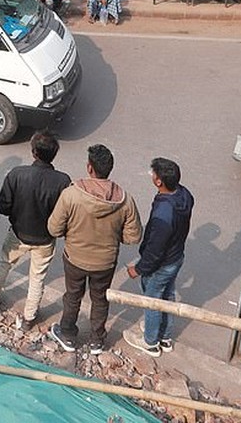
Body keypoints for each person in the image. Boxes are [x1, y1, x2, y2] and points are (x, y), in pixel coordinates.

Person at [47, 144, 142, 355]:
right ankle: (96, 341)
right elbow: (133, 236)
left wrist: (72, 233)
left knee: (73, 296)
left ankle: (68, 335)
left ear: (89, 168)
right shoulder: (125, 200)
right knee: (100, 299)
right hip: (105, 263)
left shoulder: (71, 194)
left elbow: (54, 228)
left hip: (75, 259)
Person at [0, 131, 71, 330]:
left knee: (3, 264)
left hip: (18, 233)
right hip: (45, 239)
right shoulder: (63, 181)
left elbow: (2, 207)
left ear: (34, 153)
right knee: (38, 277)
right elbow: (64, 214)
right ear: (54, 154)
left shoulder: (16, 174)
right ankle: (29, 317)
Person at [124, 157, 194, 358]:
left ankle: (151, 342)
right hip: (176, 257)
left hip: (162, 263)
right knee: (168, 296)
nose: (151, 175)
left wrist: (137, 269)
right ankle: (165, 337)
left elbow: (155, 250)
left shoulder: (164, 213)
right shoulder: (184, 195)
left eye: (153, 173)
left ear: (159, 182)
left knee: (152, 300)